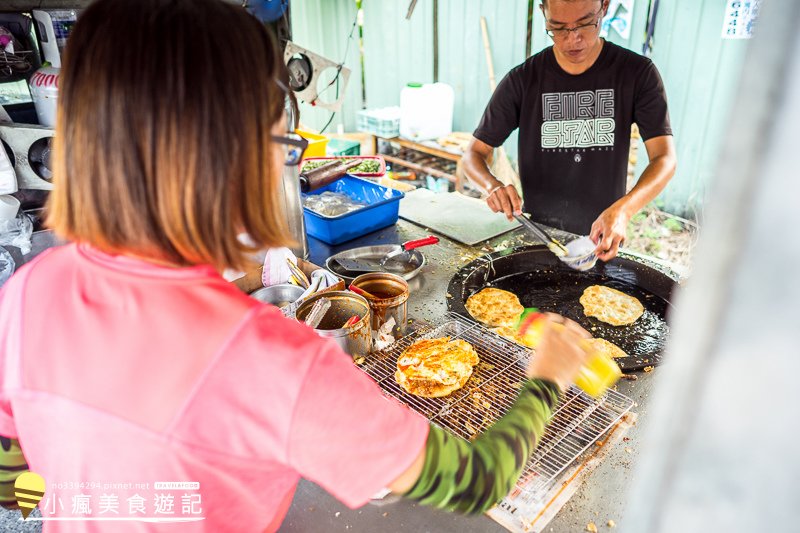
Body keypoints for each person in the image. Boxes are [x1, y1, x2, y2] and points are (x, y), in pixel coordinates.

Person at [0, 0, 592, 530]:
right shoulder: (272, 364)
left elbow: (12, 479)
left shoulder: (30, 292)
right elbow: (478, 479)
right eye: (284, 144)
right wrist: (548, 376)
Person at [464, 0, 677, 261]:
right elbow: (473, 154)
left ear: (605, 8)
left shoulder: (636, 74)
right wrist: (492, 186)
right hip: (537, 238)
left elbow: (664, 159)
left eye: (586, 23)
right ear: (544, 14)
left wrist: (624, 210)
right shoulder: (522, 80)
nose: (572, 39)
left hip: (599, 240)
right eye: (558, 27)